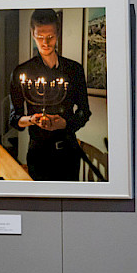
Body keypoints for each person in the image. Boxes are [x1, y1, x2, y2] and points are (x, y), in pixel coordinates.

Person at [8, 9, 91, 181]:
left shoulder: (74, 70)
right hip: (38, 154)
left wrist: (65, 123)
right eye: (40, 36)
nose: (45, 43)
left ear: (58, 34)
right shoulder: (21, 72)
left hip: (68, 153)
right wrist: (32, 119)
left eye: (50, 36)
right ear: (32, 33)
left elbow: (84, 111)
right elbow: (14, 119)